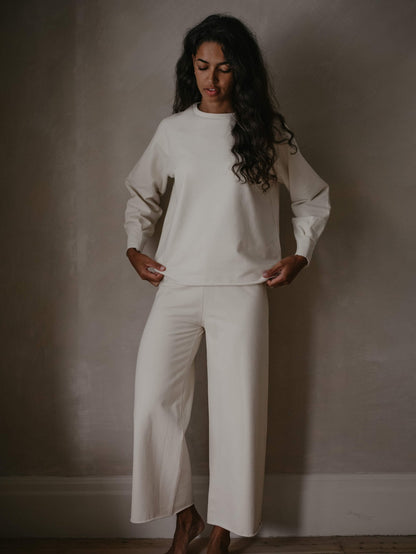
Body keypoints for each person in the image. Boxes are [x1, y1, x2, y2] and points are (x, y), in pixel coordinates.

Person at [124, 13, 330, 554]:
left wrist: (300, 254)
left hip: (241, 288)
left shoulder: (266, 134)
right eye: (201, 66)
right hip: (177, 282)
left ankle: (223, 528)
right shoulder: (173, 131)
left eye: (223, 68)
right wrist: (134, 247)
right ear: (190, 68)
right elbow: (141, 195)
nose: (211, 79)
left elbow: (312, 198)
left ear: (241, 71)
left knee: (238, 412)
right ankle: (185, 516)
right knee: (153, 401)